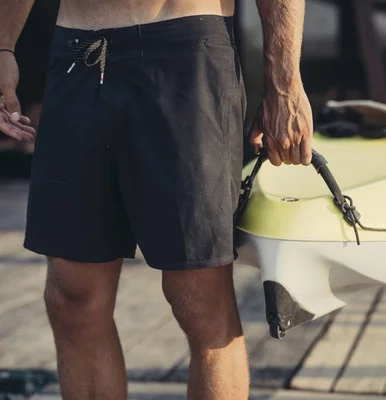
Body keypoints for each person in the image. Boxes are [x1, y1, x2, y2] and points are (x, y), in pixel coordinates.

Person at [0, 0, 313, 398]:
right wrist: (3, 43)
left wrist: (283, 83)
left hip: (184, 46)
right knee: (71, 295)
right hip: (76, 52)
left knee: (198, 296)